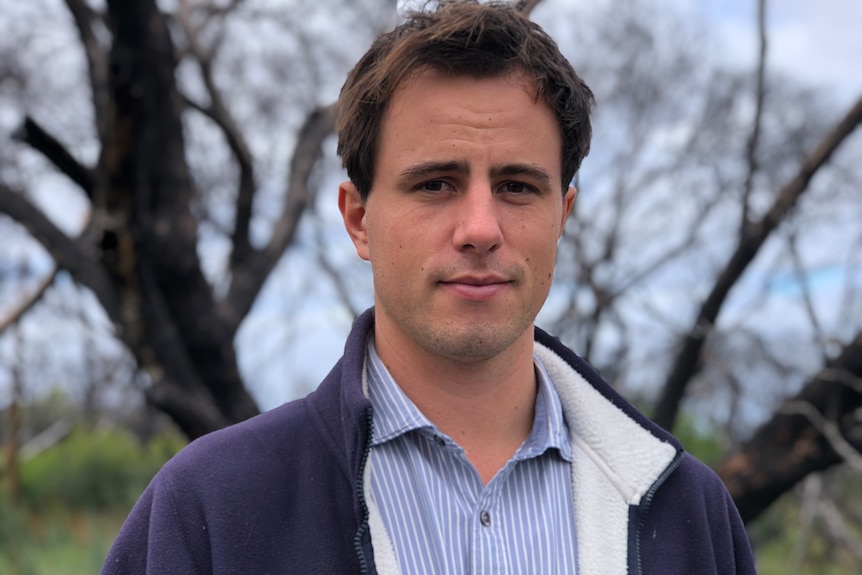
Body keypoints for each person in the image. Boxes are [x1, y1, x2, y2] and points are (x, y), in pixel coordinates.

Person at [101, 1, 756, 573]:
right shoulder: (209, 509)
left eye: (518, 186)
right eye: (435, 183)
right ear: (359, 219)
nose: (479, 228)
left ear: (564, 215)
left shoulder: (690, 515)